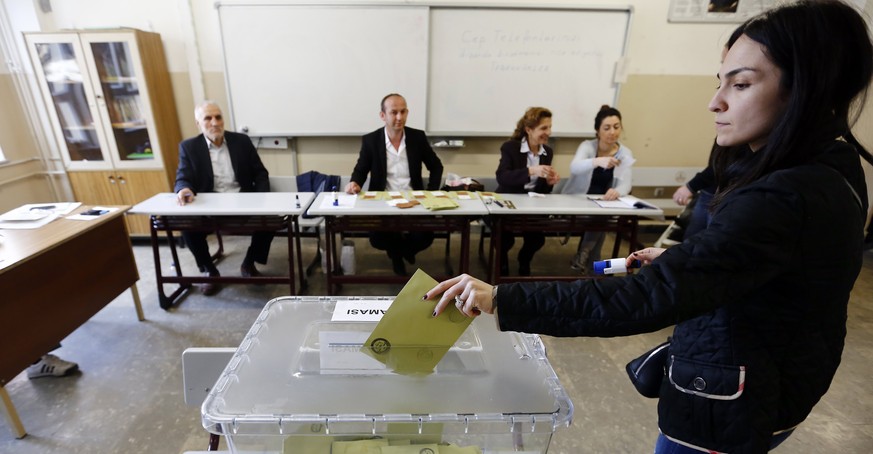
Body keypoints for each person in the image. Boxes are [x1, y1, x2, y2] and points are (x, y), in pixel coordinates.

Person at [425, 1, 872, 452]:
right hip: (778, 377)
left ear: (806, 90)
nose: (714, 101)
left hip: (732, 398)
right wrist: (691, 259)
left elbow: (642, 298)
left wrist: (501, 296)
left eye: (740, 84)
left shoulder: (785, 195)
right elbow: (764, 267)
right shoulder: (832, 165)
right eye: (721, 82)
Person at [175, 101, 273, 295]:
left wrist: (262, 198)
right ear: (198, 123)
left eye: (218, 117)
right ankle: (210, 271)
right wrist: (183, 188)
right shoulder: (189, 147)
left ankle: (249, 263)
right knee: (186, 224)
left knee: (271, 219)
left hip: (243, 202)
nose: (214, 122)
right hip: (209, 208)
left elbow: (260, 173)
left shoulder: (241, 142)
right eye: (208, 118)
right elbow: (183, 176)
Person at [344, 93, 444, 276]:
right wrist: (354, 183)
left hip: (414, 200)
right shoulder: (371, 140)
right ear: (383, 115)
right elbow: (361, 169)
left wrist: (431, 193)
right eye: (394, 112)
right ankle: (398, 254)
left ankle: (402, 252)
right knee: (377, 237)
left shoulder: (417, 137)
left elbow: (436, 166)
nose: (399, 117)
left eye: (403, 112)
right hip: (384, 201)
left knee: (426, 236)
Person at [561, 105, 634, 273]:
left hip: (604, 203)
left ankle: (586, 258)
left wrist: (618, 191)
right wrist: (596, 161)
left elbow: (626, 183)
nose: (612, 132)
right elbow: (575, 167)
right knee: (600, 220)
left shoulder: (624, 153)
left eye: (616, 127)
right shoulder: (588, 147)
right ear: (597, 131)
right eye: (606, 128)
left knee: (601, 216)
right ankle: (593, 263)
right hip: (577, 200)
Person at [494, 107, 561, 276]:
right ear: (529, 130)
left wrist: (549, 182)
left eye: (550, 127)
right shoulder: (510, 147)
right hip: (508, 203)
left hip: (533, 206)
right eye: (544, 128)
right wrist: (531, 171)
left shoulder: (548, 152)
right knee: (504, 238)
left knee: (537, 238)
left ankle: (524, 259)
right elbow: (502, 177)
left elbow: (543, 190)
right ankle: (501, 262)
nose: (549, 132)